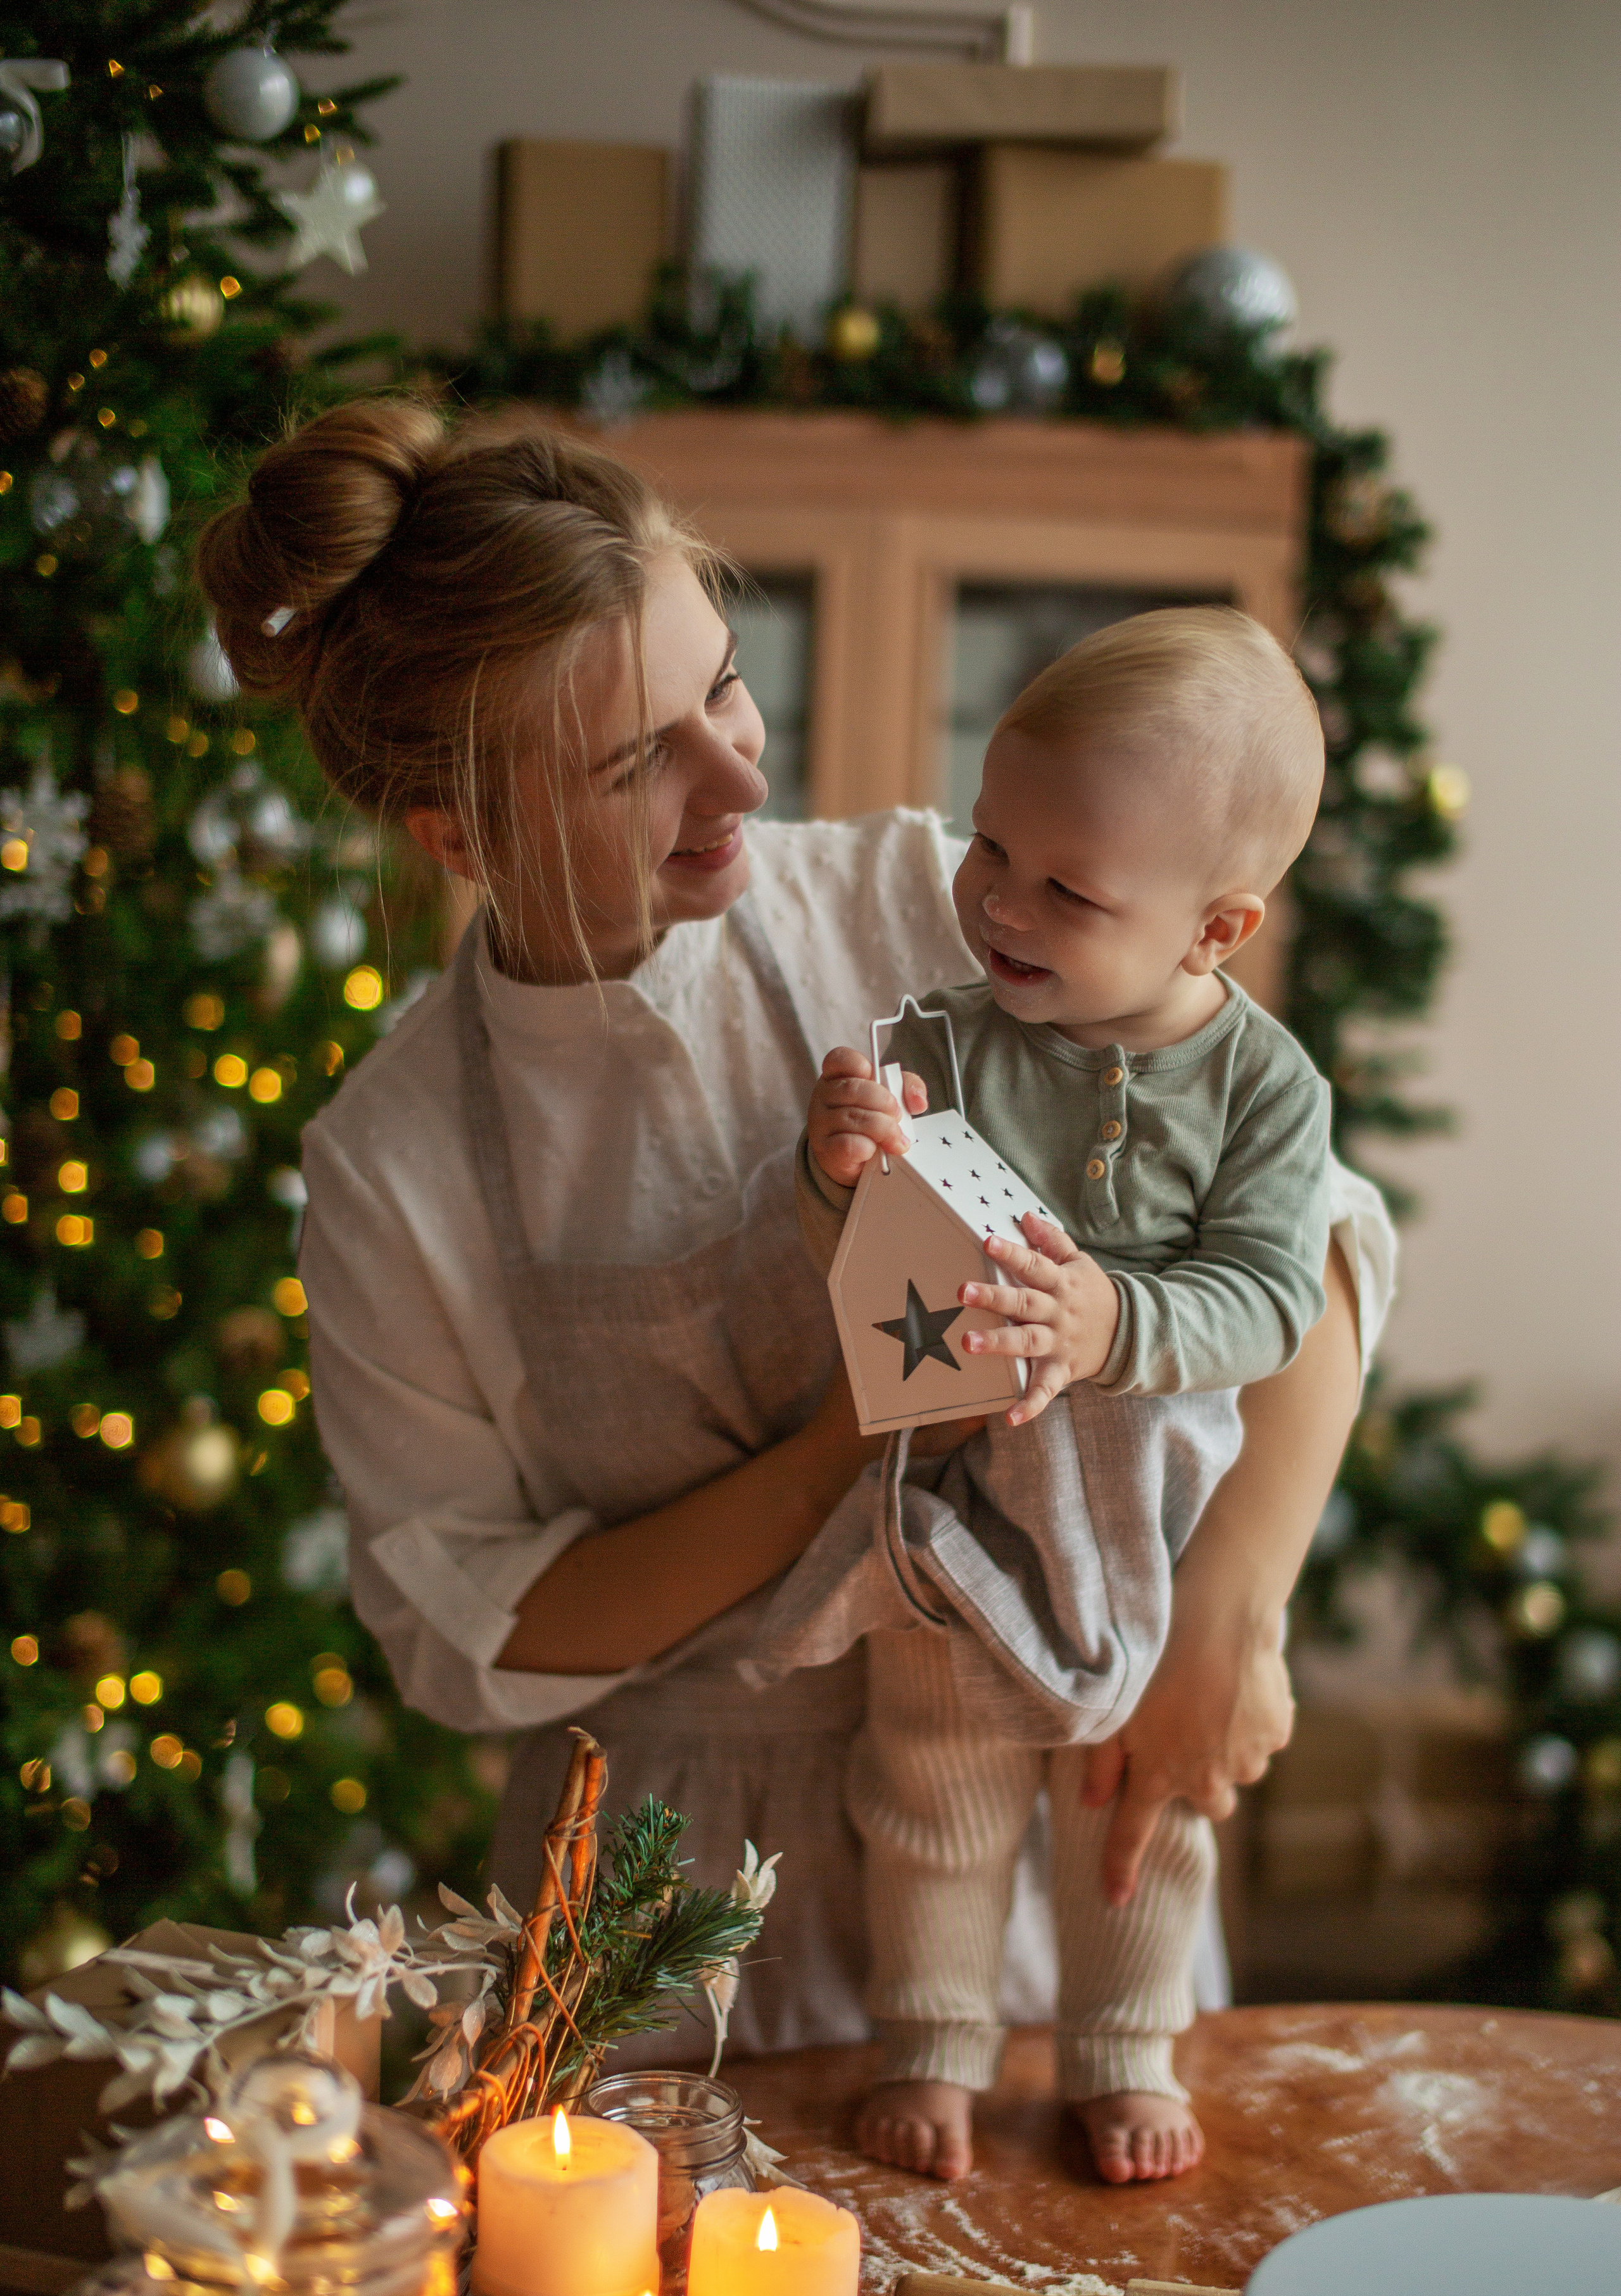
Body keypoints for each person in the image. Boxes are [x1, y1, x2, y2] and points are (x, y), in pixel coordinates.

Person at [196, 401, 1395, 2163]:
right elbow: (486, 1623)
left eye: (727, 688)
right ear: (459, 837)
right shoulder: (396, 1169)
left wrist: (1232, 1609)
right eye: (634, 765)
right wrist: (859, 1425)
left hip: (1060, 1800)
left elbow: (1324, 1238)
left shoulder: (937, 901)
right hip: (671, 1901)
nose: (745, 780)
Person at [777, 608, 1335, 2186]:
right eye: (987, 848)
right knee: (932, 1795)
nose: (999, 904)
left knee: (1132, 1810)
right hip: (958, 1502)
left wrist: (1113, 1316)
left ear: (1213, 933)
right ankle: (931, 2043)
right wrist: (833, 1174)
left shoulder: (1262, 1087)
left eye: (1066, 890)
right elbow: (866, 1261)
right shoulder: (941, 1040)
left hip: (1146, 1520)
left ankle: (1118, 2052)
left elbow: (1279, 1299)